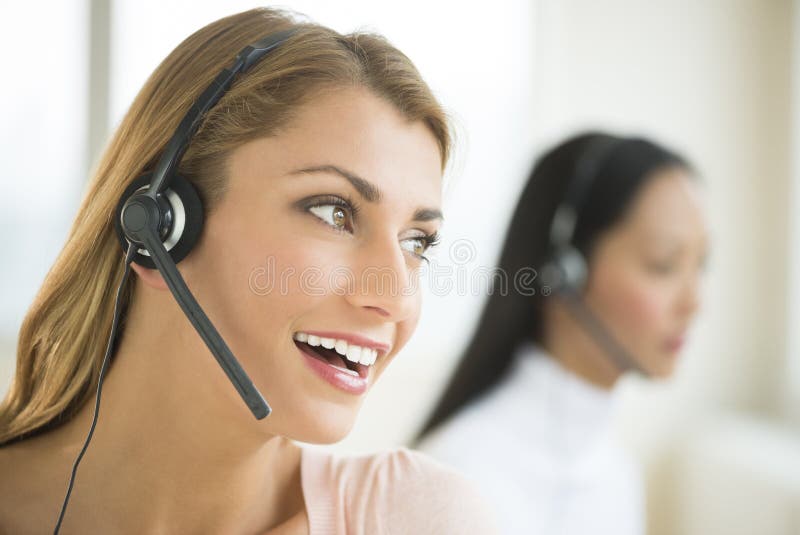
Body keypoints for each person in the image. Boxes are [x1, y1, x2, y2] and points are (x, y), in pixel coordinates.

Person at [0, 8, 498, 534]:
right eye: (335, 212)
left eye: (416, 241)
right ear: (159, 226)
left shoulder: (415, 518)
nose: (396, 297)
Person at [415, 132, 709, 535]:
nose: (694, 302)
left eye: (701, 264)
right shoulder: (454, 477)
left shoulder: (616, 473)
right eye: (663, 264)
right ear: (563, 270)